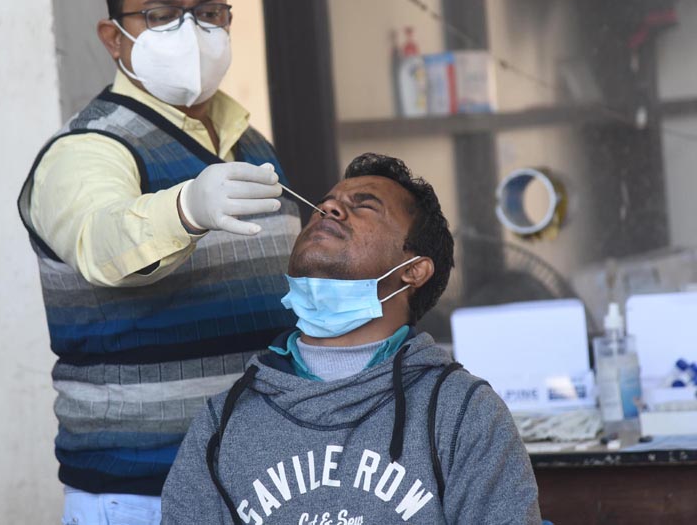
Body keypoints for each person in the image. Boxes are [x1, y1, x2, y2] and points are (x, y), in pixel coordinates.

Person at [17, 0, 301, 524]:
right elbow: (100, 242)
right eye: (162, 15)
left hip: (268, 484)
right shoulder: (89, 149)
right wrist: (186, 209)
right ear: (114, 38)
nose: (191, 32)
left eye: (208, 12)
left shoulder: (252, 145)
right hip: (143, 495)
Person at [161, 153, 542, 524]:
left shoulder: (461, 412)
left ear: (414, 270)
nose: (328, 210)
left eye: (364, 207)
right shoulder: (225, 419)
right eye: (324, 205)